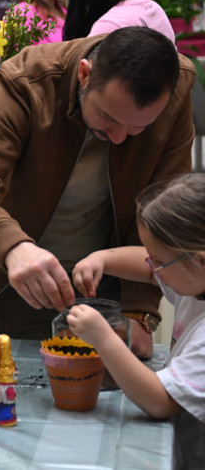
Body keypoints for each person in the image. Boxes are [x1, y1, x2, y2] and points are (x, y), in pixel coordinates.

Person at [0, 26, 196, 359]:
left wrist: (139, 313)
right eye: (107, 117)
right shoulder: (26, 80)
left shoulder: (176, 87)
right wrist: (14, 248)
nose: (119, 138)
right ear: (85, 75)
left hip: (110, 290)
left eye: (138, 129)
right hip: (12, 285)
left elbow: (163, 212)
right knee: (5, 394)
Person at [68, 173, 205, 465]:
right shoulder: (195, 280)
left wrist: (102, 338)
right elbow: (144, 266)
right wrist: (102, 259)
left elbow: (160, 401)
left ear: (201, 259)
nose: (151, 268)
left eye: (158, 260)